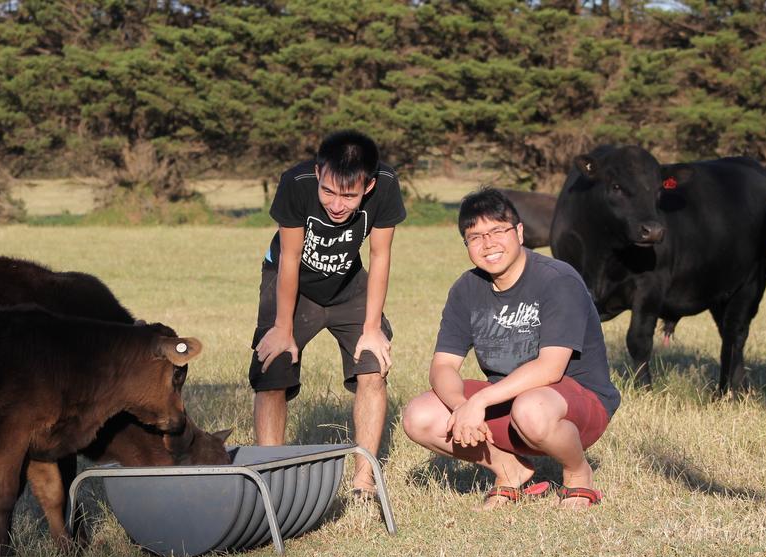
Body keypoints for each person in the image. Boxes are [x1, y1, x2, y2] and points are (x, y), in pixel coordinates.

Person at [401, 187, 619, 509]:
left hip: (575, 404)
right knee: (418, 416)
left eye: (497, 231)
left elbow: (550, 368)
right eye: (475, 237)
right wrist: (463, 407)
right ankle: (510, 470)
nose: (488, 244)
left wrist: (482, 402)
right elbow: (443, 366)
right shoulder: (466, 289)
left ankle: (577, 474)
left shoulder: (558, 280)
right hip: (511, 403)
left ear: (519, 232)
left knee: (530, 409)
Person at [250, 130, 406, 497]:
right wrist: (283, 328)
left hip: (348, 282)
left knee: (373, 366)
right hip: (292, 282)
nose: (337, 205)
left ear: (367, 187)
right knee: (273, 366)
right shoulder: (296, 182)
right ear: (318, 173)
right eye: (329, 192)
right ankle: (270, 479)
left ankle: (364, 482)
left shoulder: (386, 185)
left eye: (349, 196)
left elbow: (380, 256)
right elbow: (289, 259)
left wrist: (371, 327)